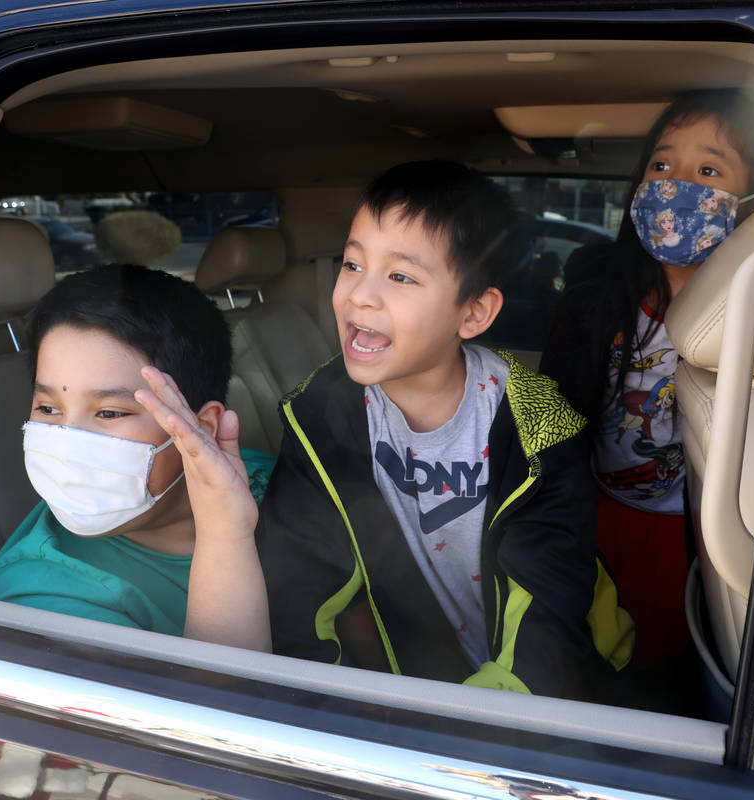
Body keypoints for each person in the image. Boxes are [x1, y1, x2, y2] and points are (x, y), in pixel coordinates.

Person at [256, 161, 634, 698]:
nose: (360, 295)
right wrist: (312, 707)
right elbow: (299, 585)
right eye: (352, 264)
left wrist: (484, 721)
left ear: (474, 313)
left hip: (553, 687)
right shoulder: (320, 416)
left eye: (400, 276)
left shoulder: (538, 432)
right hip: (425, 675)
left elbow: (547, 614)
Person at [539, 90, 754, 681]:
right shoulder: (595, 302)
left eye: (708, 170)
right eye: (660, 165)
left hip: (701, 533)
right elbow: (553, 418)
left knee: (678, 666)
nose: (676, 185)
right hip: (603, 515)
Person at [0, 264, 271, 650]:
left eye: (110, 413)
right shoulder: (41, 598)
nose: (68, 444)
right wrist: (225, 536)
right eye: (48, 409)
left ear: (202, 429)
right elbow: (228, 704)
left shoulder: (271, 479)